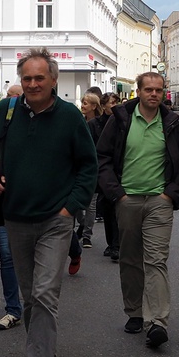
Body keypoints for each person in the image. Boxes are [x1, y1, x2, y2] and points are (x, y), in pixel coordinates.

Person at [0, 47, 97, 357]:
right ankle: (46, 354)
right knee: (30, 296)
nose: (32, 84)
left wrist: (70, 209)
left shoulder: (69, 117)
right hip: (15, 216)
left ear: (53, 80)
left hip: (55, 219)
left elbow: (88, 166)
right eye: (27, 78)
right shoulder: (6, 111)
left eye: (39, 78)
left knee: (46, 294)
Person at [96, 72, 179, 348]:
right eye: (148, 89)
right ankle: (135, 312)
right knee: (129, 259)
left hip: (158, 201)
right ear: (137, 91)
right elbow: (102, 157)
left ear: (163, 93)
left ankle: (157, 322)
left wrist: (169, 194)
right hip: (128, 200)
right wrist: (118, 194)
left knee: (156, 260)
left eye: (158, 90)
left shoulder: (171, 122)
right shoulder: (121, 119)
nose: (153, 94)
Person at [92, 92, 121, 262]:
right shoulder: (94, 124)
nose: (114, 105)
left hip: (118, 171)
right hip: (102, 171)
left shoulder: (122, 122)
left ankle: (117, 245)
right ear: (103, 106)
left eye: (117, 102)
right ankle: (112, 243)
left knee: (118, 210)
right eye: (111, 103)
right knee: (108, 210)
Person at [76, 93, 102, 249]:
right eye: (82, 103)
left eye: (86, 103)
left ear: (94, 106)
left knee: (91, 204)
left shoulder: (99, 124)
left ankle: (87, 235)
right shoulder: (79, 121)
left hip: (94, 167)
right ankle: (83, 224)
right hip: (78, 166)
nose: (83, 105)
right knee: (79, 204)